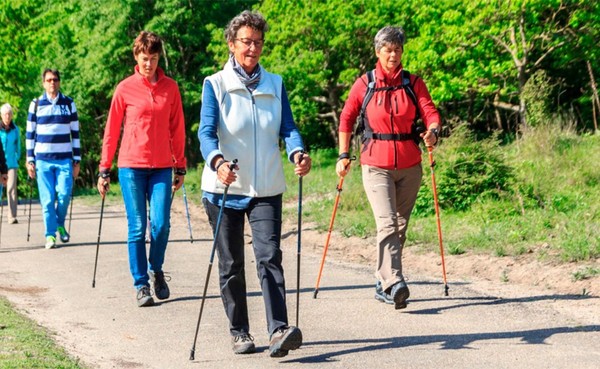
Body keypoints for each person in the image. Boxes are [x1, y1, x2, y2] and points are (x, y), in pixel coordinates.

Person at [199, 10, 311, 358]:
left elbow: (288, 128)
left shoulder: (275, 83)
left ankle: (279, 329)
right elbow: (205, 134)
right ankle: (240, 332)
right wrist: (217, 163)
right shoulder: (215, 84)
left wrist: (297, 153)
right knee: (231, 264)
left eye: (258, 42)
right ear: (232, 44)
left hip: (266, 187)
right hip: (225, 189)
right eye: (246, 42)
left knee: (269, 256)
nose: (253, 48)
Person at [336, 26, 441, 310]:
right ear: (377, 52)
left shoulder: (413, 83)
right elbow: (346, 119)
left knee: (400, 226)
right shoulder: (365, 83)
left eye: (397, 50)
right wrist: (343, 154)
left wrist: (433, 130)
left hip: (410, 164)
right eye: (388, 50)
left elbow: (429, 110)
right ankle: (394, 282)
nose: (393, 55)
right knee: (387, 223)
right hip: (375, 164)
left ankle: (382, 282)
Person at [97, 31, 187, 308]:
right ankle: (141, 285)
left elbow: (178, 128)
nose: (149, 64)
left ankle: (156, 269)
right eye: (145, 58)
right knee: (137, 227)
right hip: (131, 167)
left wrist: (180, 165)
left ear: (159, 58)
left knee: (160, 225)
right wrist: (104, 169)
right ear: (136, 57)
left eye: (154, 58)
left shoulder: (170, 88)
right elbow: (112, 131)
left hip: (161, 167)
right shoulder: (125, 89)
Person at [26, 69, 80, 249]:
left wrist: (77, 160)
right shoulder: (36, 104)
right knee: (48, 200)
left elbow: (75, 133)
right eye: (49, 80)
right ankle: (50, 235)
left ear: (59, 82)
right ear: (43, 83)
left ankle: (59, 223)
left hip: (65, 159)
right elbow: (30, 134)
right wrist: (30, 160)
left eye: (55, 80)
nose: (52, 83)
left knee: (64, 195)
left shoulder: (69, 103)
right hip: (43, 160)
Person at [0, 103, 19, 223]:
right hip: (0, 163)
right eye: (5, 114)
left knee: (11, 188)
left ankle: (12, 216)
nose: (7, 116)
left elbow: (19, 146)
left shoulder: (15, 129)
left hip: (11, 163)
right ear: (1, 115)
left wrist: (17, 157)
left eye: (9, 114)